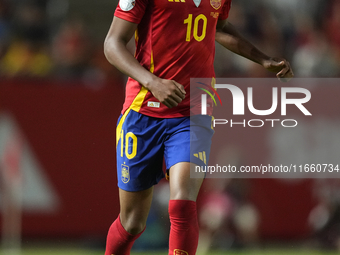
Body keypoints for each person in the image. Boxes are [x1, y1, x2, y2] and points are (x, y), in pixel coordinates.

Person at [103, 0, 293, 254]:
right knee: (132, 223)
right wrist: (153, 82)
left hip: (194, 110)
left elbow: (220, 28)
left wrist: (262, 58)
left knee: (182, 201)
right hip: (142, 113)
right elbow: (112, 44)